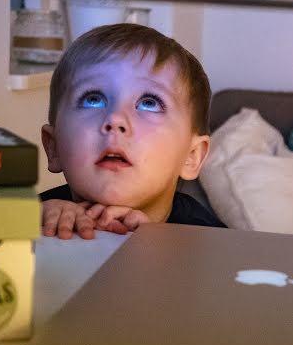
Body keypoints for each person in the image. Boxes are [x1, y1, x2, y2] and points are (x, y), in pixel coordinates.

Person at [40, 23, 225, 239]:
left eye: (149, 103)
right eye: (93, 99)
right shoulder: (33, 216)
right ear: (53, 147)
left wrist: (159, 248)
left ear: (191, 156)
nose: (115, 119)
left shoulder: (211, 242)